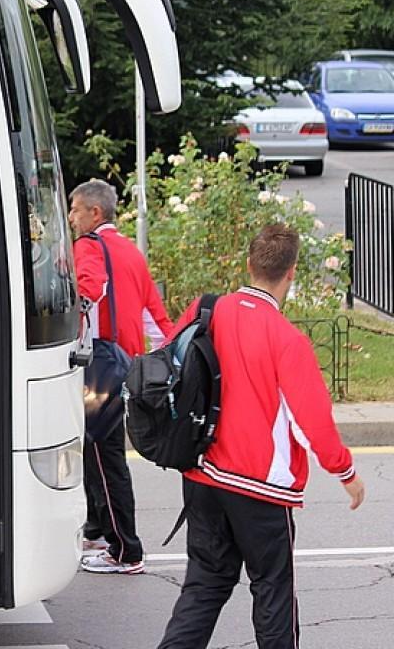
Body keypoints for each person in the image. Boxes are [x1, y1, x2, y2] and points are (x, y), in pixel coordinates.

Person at [157, 224, 365, 649]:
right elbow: (313, 423)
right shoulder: (287, 340)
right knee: (272, 590)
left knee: (204, 584)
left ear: (248, 264)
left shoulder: (206, 310)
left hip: (202, 473)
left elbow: (168, 365)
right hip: (259, 487)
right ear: (292, 273)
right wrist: (346, 473)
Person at [68, 178, 174, 574]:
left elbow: (88, 287)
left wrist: (72, 309)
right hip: (123, 366)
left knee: (102, 455)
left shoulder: (87, 246)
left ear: (95, 213)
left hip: (98, 369)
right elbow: (155, 317)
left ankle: (125, 550)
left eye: (76, 209)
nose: (71, 217)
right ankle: (98, 529)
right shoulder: (130, 251)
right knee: (99, 449)